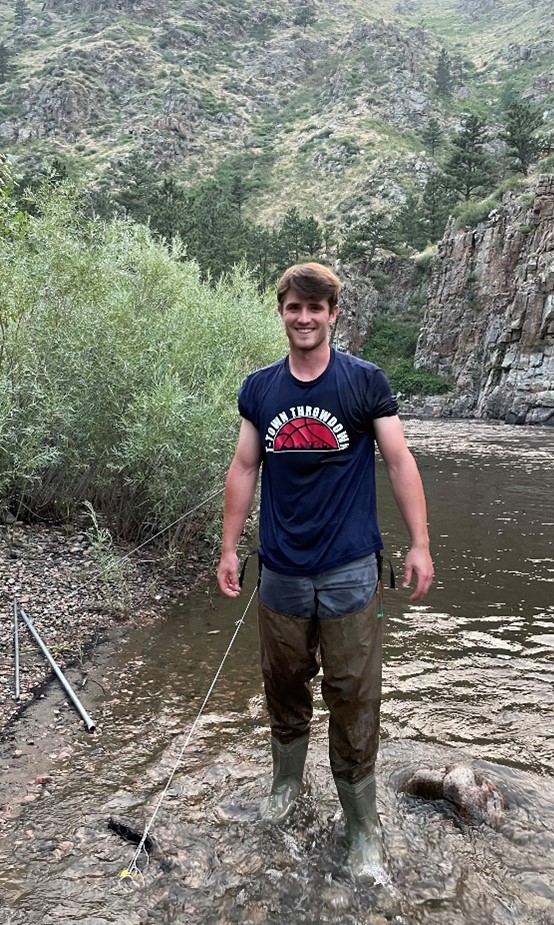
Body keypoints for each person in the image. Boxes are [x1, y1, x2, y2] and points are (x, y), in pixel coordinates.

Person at [217, 262, 434, 880]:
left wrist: (419, 544)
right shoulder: (260, 389)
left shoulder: (364, 383)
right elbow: (242, 467)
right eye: (294, 307)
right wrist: (230, 548)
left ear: (335, 314)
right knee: (283, 685)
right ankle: (287, 789)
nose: (305, 318)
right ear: (281, 312)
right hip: (280, 572)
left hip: (350, 572)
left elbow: (398, 460)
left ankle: (362, 826)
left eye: (317, 307)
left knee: (353, 696)